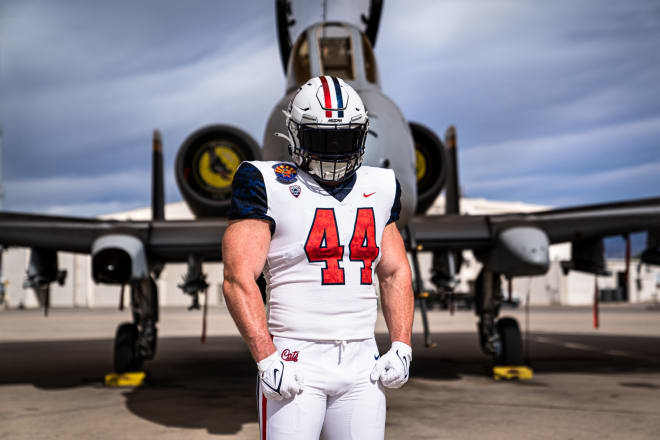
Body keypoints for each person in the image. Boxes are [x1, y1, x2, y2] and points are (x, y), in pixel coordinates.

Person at [222, 76, 414, 439]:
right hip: (295, 358)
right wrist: (266, 356)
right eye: (322, 138)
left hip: (362, 361)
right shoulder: (266, 182)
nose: (335, 150)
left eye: (345, 138)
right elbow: (237, 278)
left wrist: (401, 344)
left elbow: (394, 271)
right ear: (295, 133)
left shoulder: (381, 186)